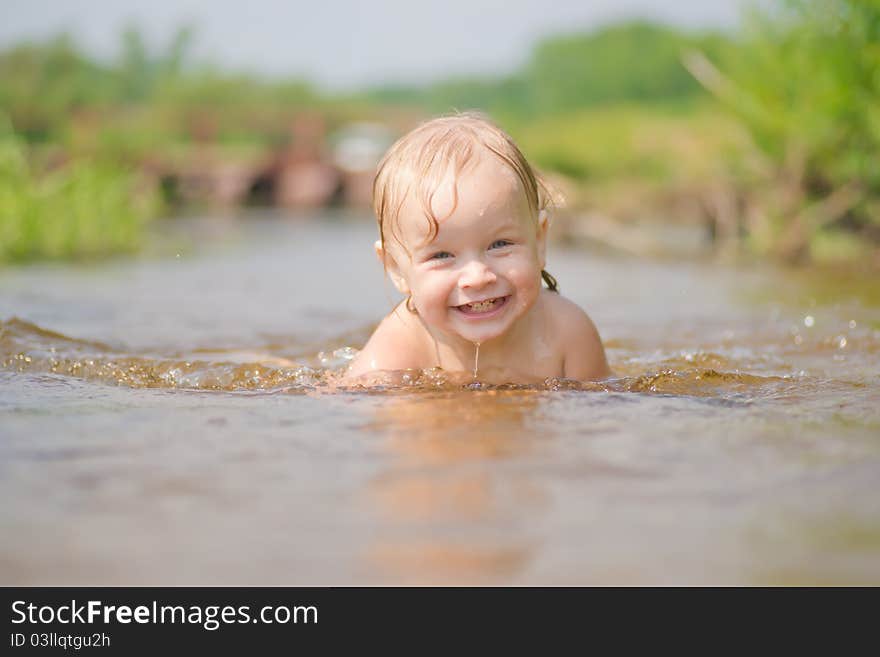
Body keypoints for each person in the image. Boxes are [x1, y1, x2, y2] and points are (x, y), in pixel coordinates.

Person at [344, 112, 610, 384]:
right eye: (442, 255)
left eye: (500, 244)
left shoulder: (567, 331)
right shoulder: (399, 348)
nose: (478, 277)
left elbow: (599, 415)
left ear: (539, 242)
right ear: (396, 268)